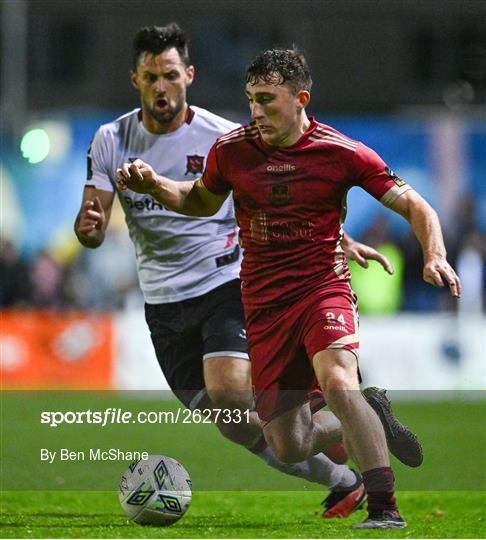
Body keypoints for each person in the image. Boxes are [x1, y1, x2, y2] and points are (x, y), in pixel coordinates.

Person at [116, 46, 459, 529]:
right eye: (251, 98)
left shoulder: (343, 152)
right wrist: (156, 186)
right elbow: (198, 200)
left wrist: (435, 254)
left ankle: (385, 507)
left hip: (322, 289)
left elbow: (416, 207)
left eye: (267, 99)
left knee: (338, 381)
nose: (256, 110)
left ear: (301, 98)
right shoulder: (233, 151)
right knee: (289, 442)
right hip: (263, 307)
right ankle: (370, 411)